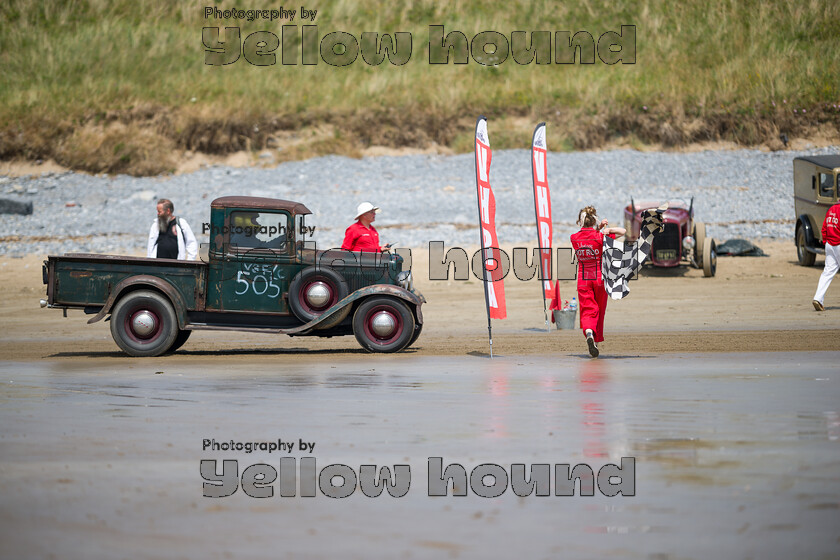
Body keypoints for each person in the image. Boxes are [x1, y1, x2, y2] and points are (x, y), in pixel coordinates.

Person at [570, 206, 626, 357]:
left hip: (583, 279)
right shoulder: (600, 237)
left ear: (580, 222)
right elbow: (623, 232)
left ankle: (589, 333)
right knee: (599, 310)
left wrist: (598, 229)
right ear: (594, 220)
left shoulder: (574, 238)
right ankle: (596, 339)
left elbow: (585, 235)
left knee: (588, 310)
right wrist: (607, 230)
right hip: (599, 278)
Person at [813, 200, 840, 311]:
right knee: (828, 272)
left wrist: (825, 241)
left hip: (830, 244)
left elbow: (824, 227)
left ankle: (818, 298)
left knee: (827, 272)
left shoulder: (831, 209)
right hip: (838, 243)